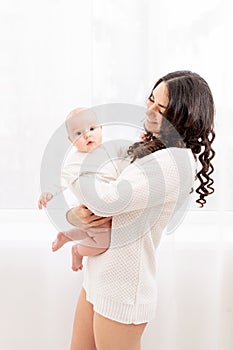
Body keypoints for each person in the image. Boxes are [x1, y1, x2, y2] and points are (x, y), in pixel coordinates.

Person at [67, 70, 215, 350]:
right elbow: (102, 195)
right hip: (99, 277)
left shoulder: (175, 161)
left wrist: (75, 171)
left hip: (123, 291)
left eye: (161, 108)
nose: (149, 110)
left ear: (184, 116)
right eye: (150, 100)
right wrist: (78, 213)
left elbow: (105, 199)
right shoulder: (153, 151)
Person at [38, 107, 116, 271]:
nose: (87, 135)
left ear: (101, 128)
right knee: (104, 242)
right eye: (79, 133)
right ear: (71, 140)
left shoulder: (111, 150)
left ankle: (67, 235)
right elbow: (62, 180)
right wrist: (48, 193)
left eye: (92, 129)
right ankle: (78, 251)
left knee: (92, 231)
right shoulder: (76, 160)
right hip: (92, 208)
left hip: (109, 203)